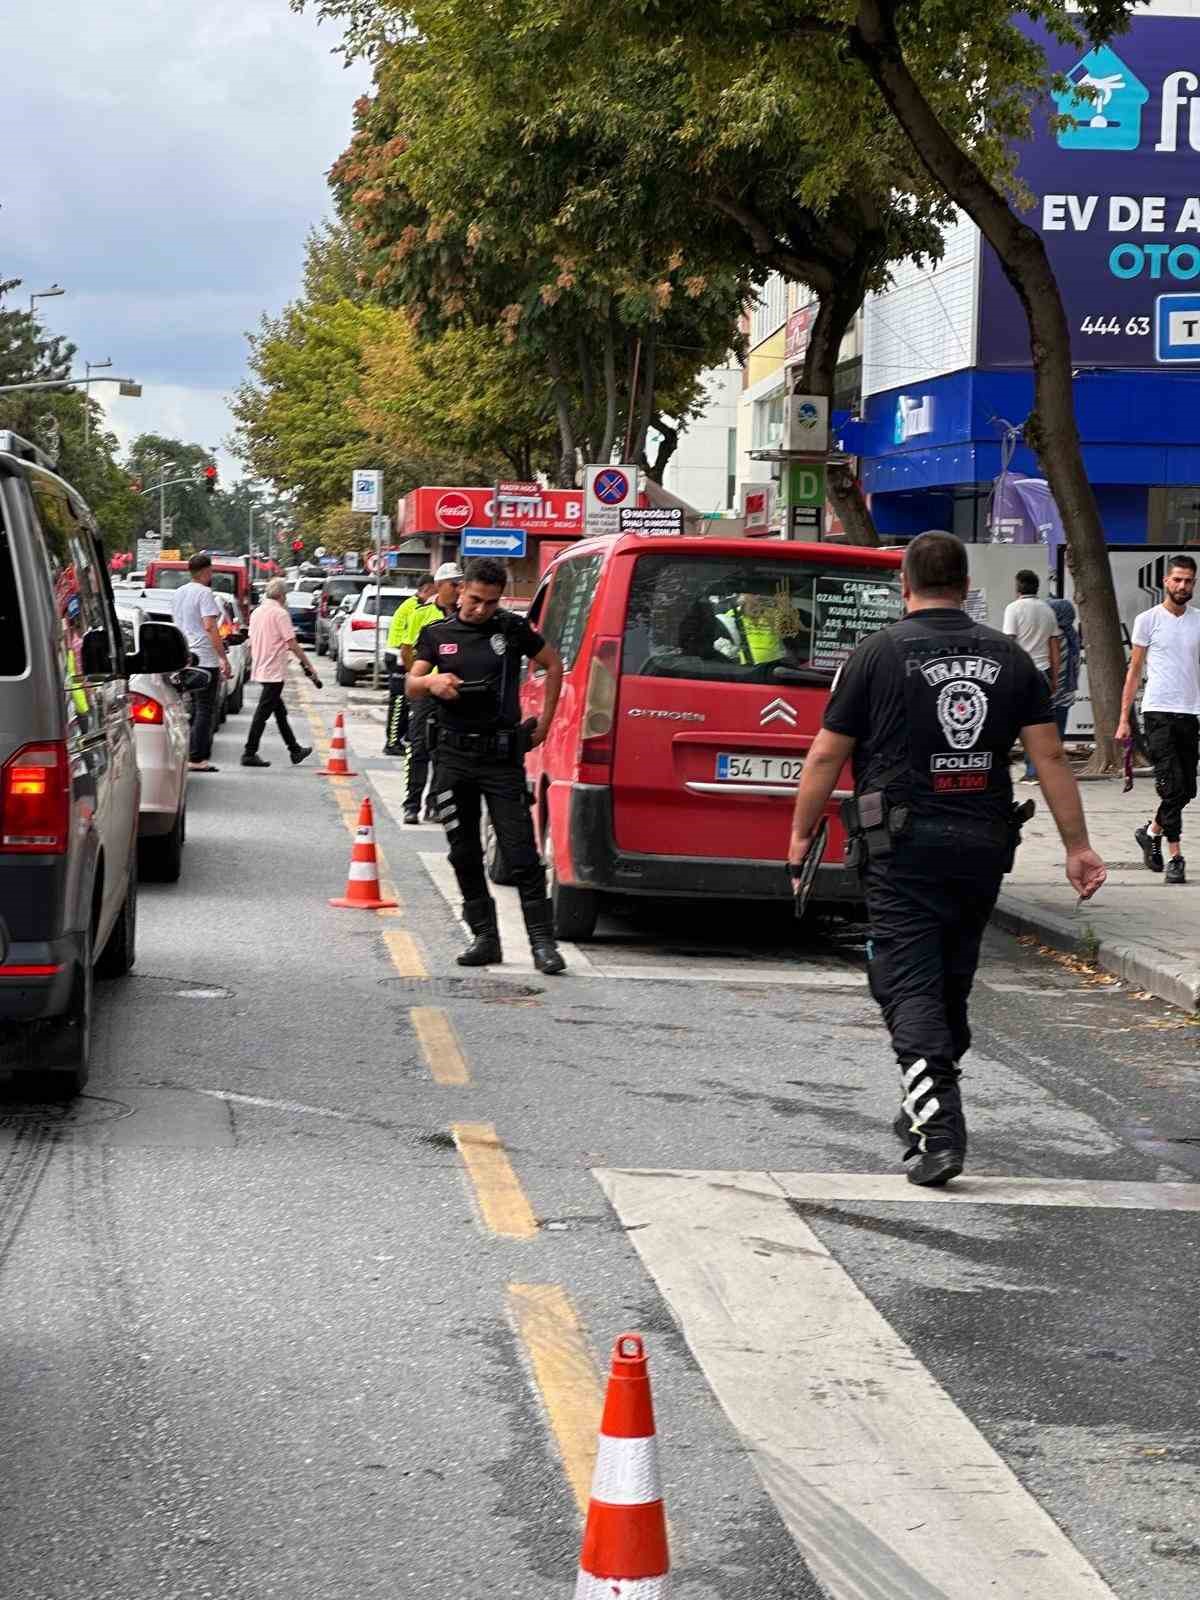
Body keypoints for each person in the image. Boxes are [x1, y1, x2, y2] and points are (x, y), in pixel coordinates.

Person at [787, 531, 1106, 1187]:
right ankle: (922, 1101)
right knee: (950, 983)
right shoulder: (1010, 659)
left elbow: (825, 755)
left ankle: (939, 1127)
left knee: (907, 986)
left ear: (905, 584)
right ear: (965, 587)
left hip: (902, 849)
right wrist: (1077, 845)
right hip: (982, 846)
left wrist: (799, 835)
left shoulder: (874, 655)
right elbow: (1049, 758)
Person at [407, 556, 567, 975]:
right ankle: (484, 936)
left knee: (521, 854)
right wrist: (432, 683)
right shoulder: (437, 633)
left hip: (500, 759)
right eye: (476, 599)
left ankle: (543, 943)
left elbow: (554, 666)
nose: (481, 609)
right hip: (452, 758)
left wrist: (546, 725)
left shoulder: (511, 629)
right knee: (463, 853)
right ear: (461, 590)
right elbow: (411, 682)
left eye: (491, 603)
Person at [1116, 552, 1200, 885]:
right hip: (1157, 712)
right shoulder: (1147, 620)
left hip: (1191, 712)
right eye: (1177, 579)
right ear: (1165, 581)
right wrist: (1124, 717)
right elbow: (1134, 671)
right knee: (1173, 784)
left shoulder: (1198, 620)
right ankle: (1176, 857)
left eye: (1188, 580)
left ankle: (1150, 831)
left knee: (1187, 789)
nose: (1182, 585)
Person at [399, 563, 463, 824]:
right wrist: (418, 679)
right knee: (419, 747)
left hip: (451, 693)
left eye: (461, 584)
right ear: (439, 586)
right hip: (426, 691)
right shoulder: (421, 614)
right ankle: (411, 804)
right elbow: (406, 650)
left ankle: (435, 804)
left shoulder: (464, 614)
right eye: (453, 584)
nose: (458, 589)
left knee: (444, 751)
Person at [240, 578, 319, 768]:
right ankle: (249, 752)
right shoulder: (280, 613)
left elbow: (252, 640)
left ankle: (295, 750)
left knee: (279, 711)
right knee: (263, 712)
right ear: (282, 595)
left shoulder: (257, 612)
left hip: (261, 666)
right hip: (274, 669)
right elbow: (292, 643)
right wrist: (308, 665)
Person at [172, 552, 231, 773]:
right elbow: (210, 626)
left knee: (192, 708)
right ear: (206, 572)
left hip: (185, 656)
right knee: (206, 708)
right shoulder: (205, 593)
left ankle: (186, 752)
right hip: (205, 658)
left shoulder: (178, 593)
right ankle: (197, 757)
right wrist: (222, 657)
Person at [1002, 570, 1061, 782]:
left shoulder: (1013, 609)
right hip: (1043, 671)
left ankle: (1006, 768)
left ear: (1018, 587)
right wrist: (1054, 677)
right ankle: (1034, 771)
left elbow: (1009, 643)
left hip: (1020, 671)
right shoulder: (1047, 610)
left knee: (1011, 721)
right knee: (1038, 723)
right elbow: (1055, 646)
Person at [383, 575, 436, 756]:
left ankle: (401, 738)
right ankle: (392, 742)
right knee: (398, 701)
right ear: (428, 588)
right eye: (435, 590)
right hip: (399, 657)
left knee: (405, 702)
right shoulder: (415, 606)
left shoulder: (414, 603)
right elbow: (410, 640)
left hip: (403, 657)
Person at [1048, 595, 1081, 746]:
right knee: (1058, 738)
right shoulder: (1072, 635)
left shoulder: (1053, 636)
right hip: (1065, 696)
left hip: (1051, 695)